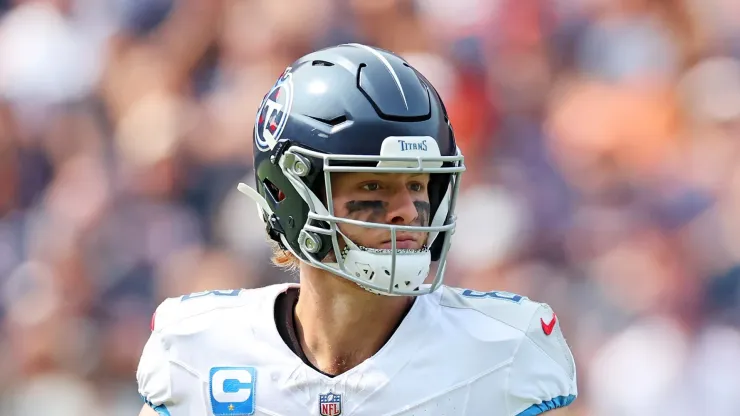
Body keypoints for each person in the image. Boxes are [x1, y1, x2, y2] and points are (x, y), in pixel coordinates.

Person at [136, 43, 577, 416]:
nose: (407, 211)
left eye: (418, 184)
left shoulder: (503, 353)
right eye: (373, 186)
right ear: (288, 194)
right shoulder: (196, 350)